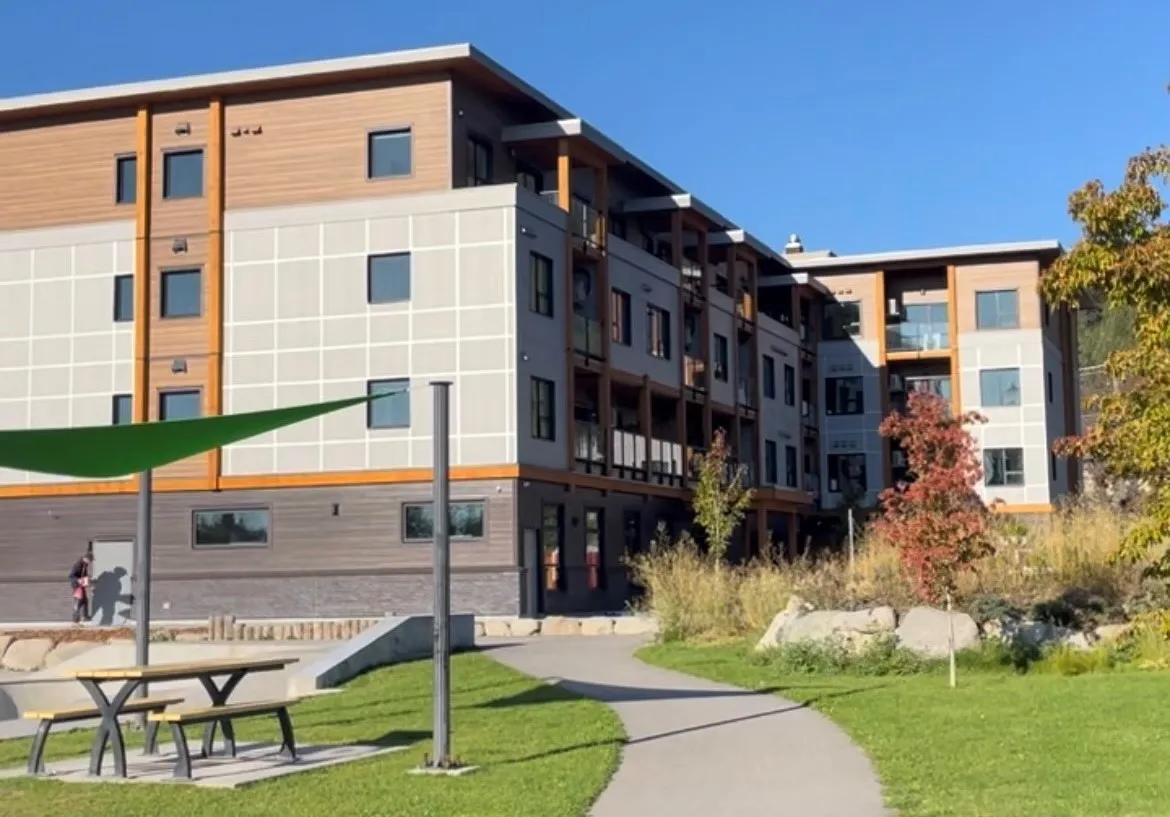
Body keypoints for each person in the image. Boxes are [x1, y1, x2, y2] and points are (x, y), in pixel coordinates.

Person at [68, 552, 93, 624]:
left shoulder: (85, 564)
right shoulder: (78, 565)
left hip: (81, 585)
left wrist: (87, 579)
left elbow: (84, 574)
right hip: (76, 586)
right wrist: (78, 580)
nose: (90, 562)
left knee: (84, 600)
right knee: (78, 602)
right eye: (90, 560)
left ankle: (84, 616)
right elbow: (71, 576)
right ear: (86, 559)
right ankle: (76, 619)